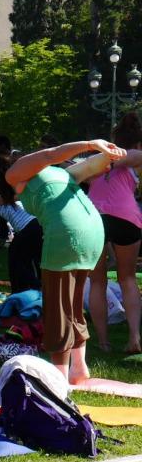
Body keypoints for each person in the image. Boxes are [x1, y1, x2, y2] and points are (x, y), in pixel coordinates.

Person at [5, 138, 123, 382]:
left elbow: (61, 157)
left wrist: (98, 146)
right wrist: (104, 153)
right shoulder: (49, 175)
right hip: (92, 233)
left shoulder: (49, 172)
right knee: (73, 306)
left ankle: (59, 378)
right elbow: (86, 163)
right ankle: (78, 369)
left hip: (67, 234)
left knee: (58, 308)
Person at [86, 113, 142, 353]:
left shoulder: (98, 161)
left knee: (97, 281)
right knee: (127, 278)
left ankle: (103, 342)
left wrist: (103, 161)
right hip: (127, 217)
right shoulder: (137, 157)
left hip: (93, 217)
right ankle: (134, 337)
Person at [0, 159, 44, 294]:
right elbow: (9, 198)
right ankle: (35, 290)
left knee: (22, 262)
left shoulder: (21, 195)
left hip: (33, 226)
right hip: (33, 228)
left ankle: (31, 291)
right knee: (25, 261)